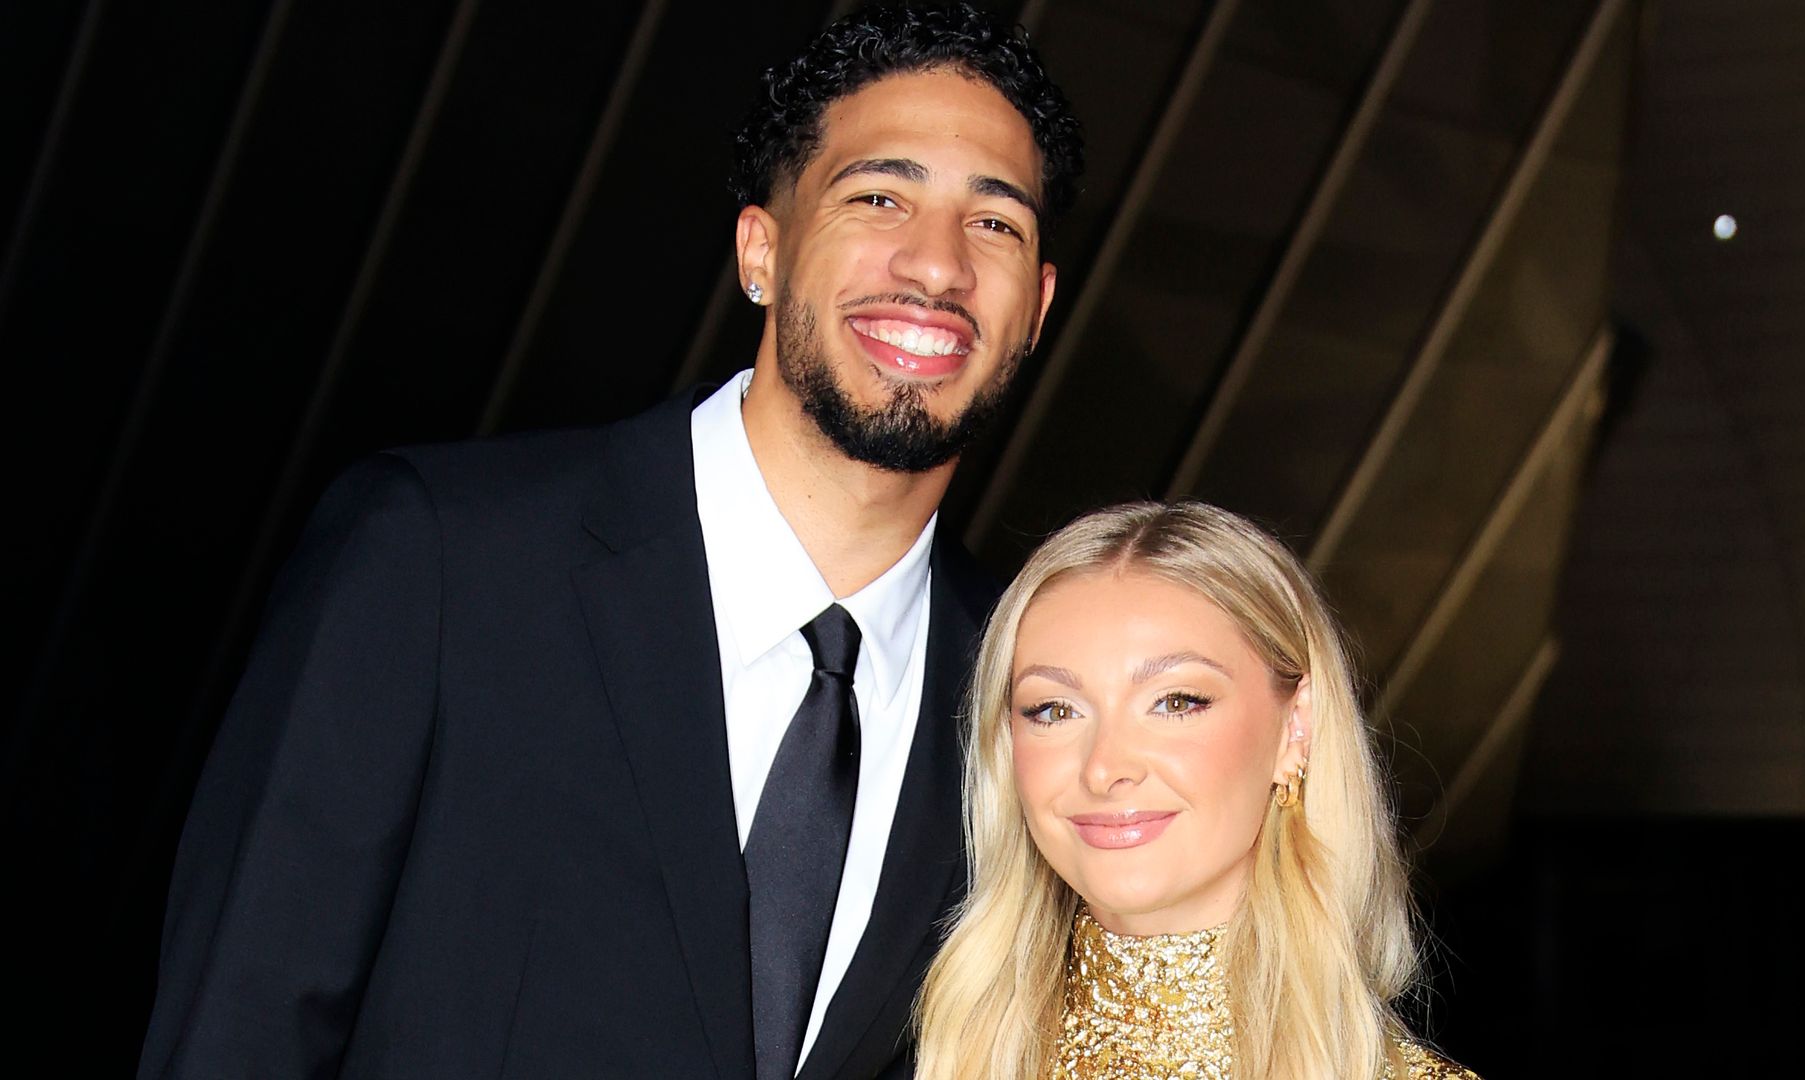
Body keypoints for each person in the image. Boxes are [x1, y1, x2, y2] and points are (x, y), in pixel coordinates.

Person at [137, 5, 1081, 1078]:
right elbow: (239, 1027)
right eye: (879, 197)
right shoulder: (444, 557)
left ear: (1039, 304)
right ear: (761, 249)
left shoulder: (1035, 697)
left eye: (995, 223)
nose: (937, 267)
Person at [914, 502, 1478, 1079]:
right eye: (1055, 710)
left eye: (1176, 702)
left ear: (1296, 727)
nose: (1105, 768)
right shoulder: (950, 1057)